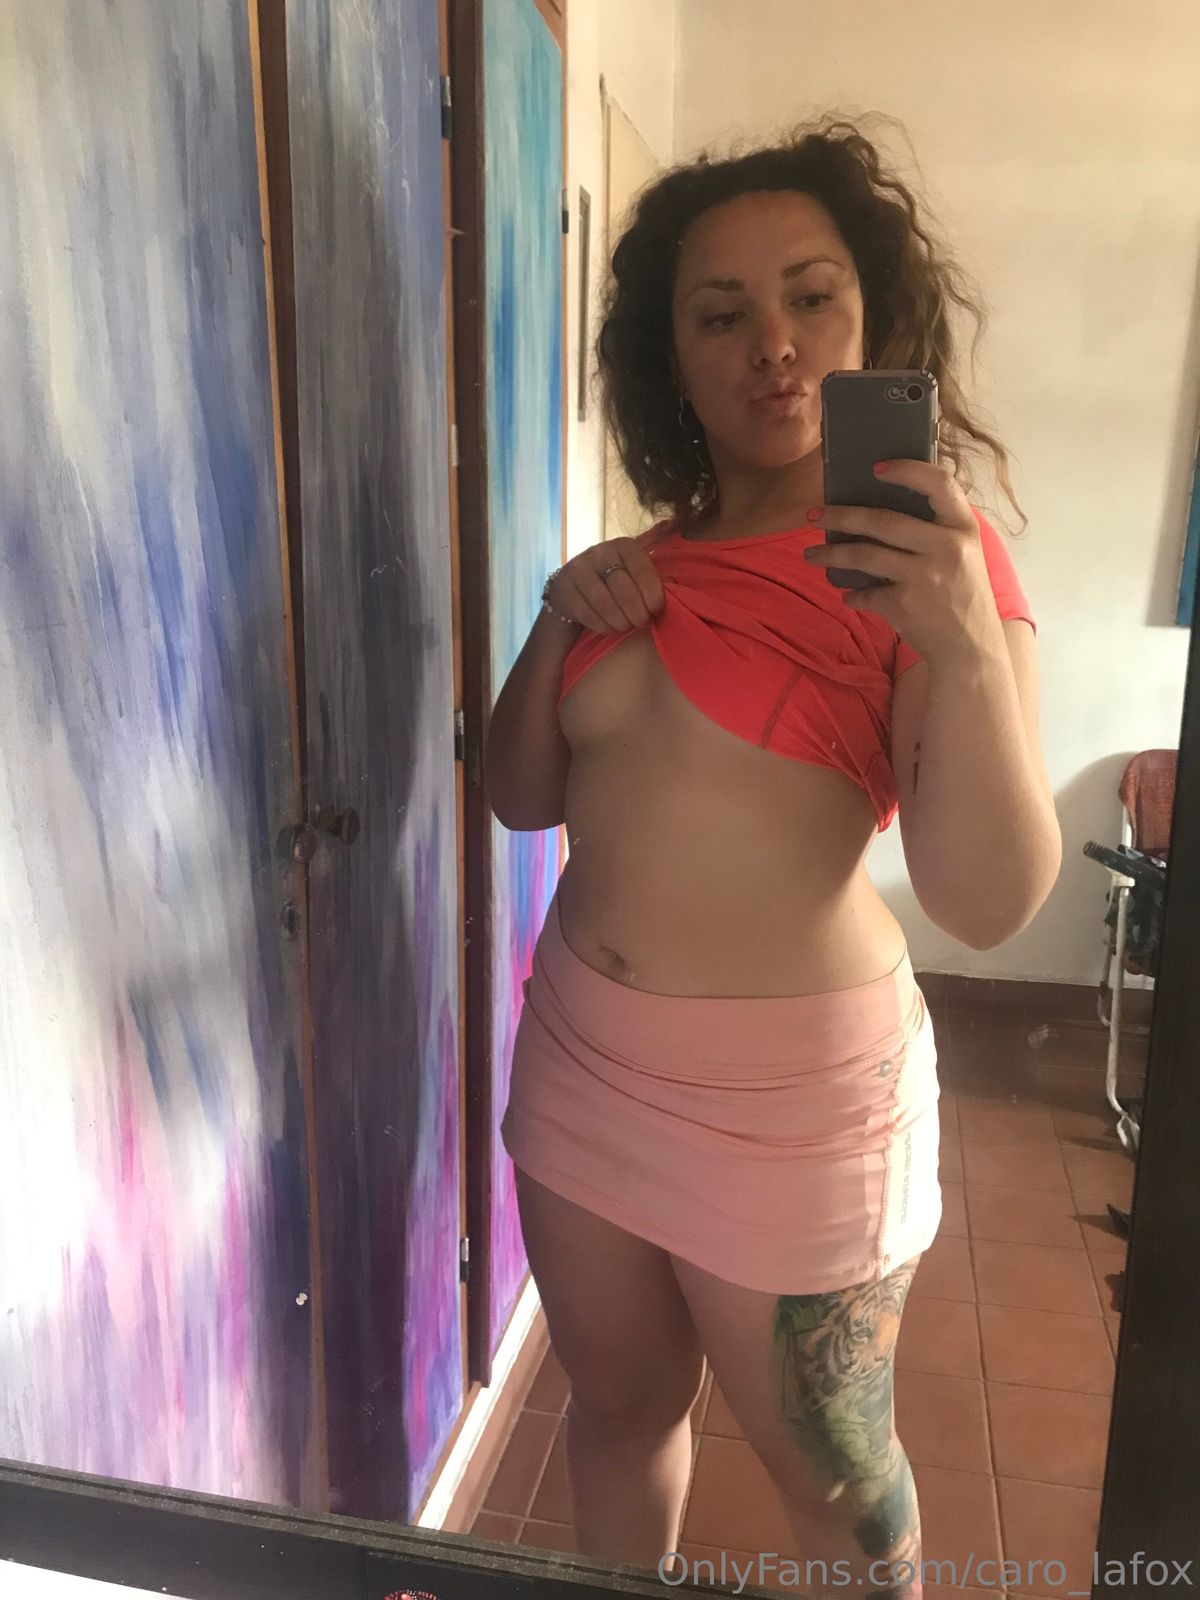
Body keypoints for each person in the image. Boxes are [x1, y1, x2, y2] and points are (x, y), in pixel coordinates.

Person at [484, 118, 1061, 1598]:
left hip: (796, 1108)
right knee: (618, 1413)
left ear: (876, 325)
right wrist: (557, 617)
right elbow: (517, 798)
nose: (775, 346)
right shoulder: (648, 566)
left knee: (843, 1492)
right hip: (583, 1059)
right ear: (669, 358)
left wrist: (963, 645)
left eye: (813, 298)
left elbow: (990, 901)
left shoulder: (932, 566)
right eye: (721, 314)